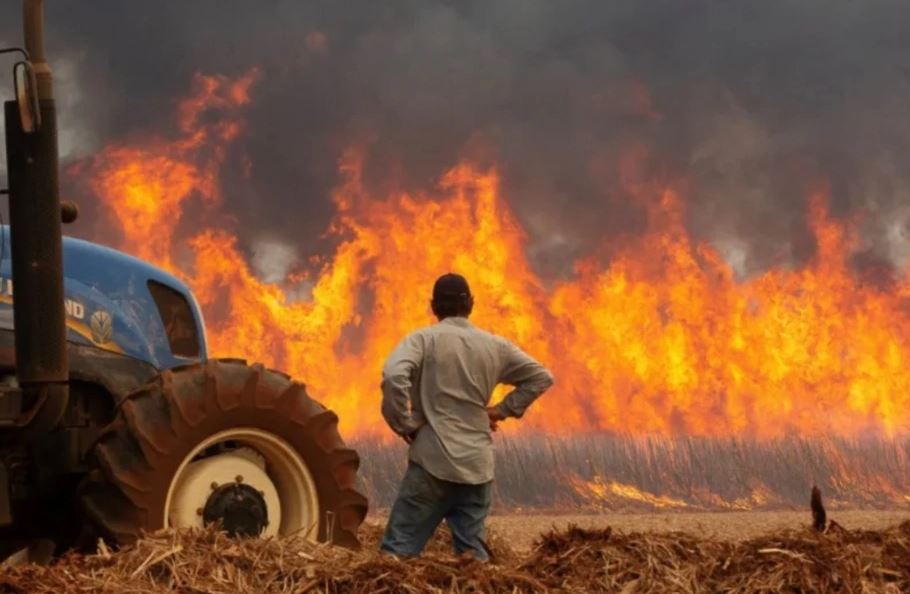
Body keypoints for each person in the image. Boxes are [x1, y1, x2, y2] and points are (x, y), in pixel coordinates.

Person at [379, 273, 554, 560]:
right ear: (470, 304)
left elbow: (394, 375)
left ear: (433, 306)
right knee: (473, 564)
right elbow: (541, 377)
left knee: (396, 556)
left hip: (432, 463)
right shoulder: (496, 346)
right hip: (477, 468)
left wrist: (403, 424)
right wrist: (501, 410)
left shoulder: (422, 340)